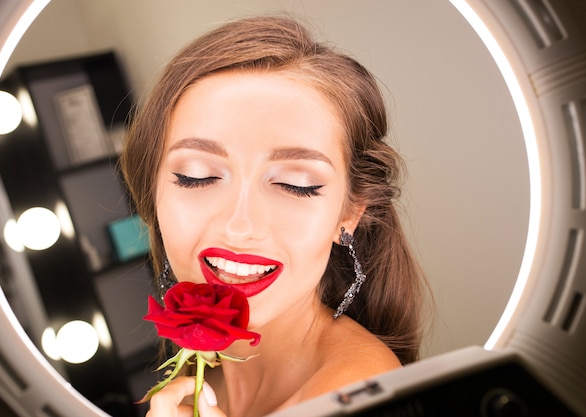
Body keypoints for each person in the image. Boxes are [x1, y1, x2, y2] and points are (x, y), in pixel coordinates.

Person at [120, 14, 429, 417]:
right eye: (198, 176)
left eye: (295, 185)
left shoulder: (357, 395)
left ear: (349, 213)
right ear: (153, 193)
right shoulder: (196, 386)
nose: (239, 225)